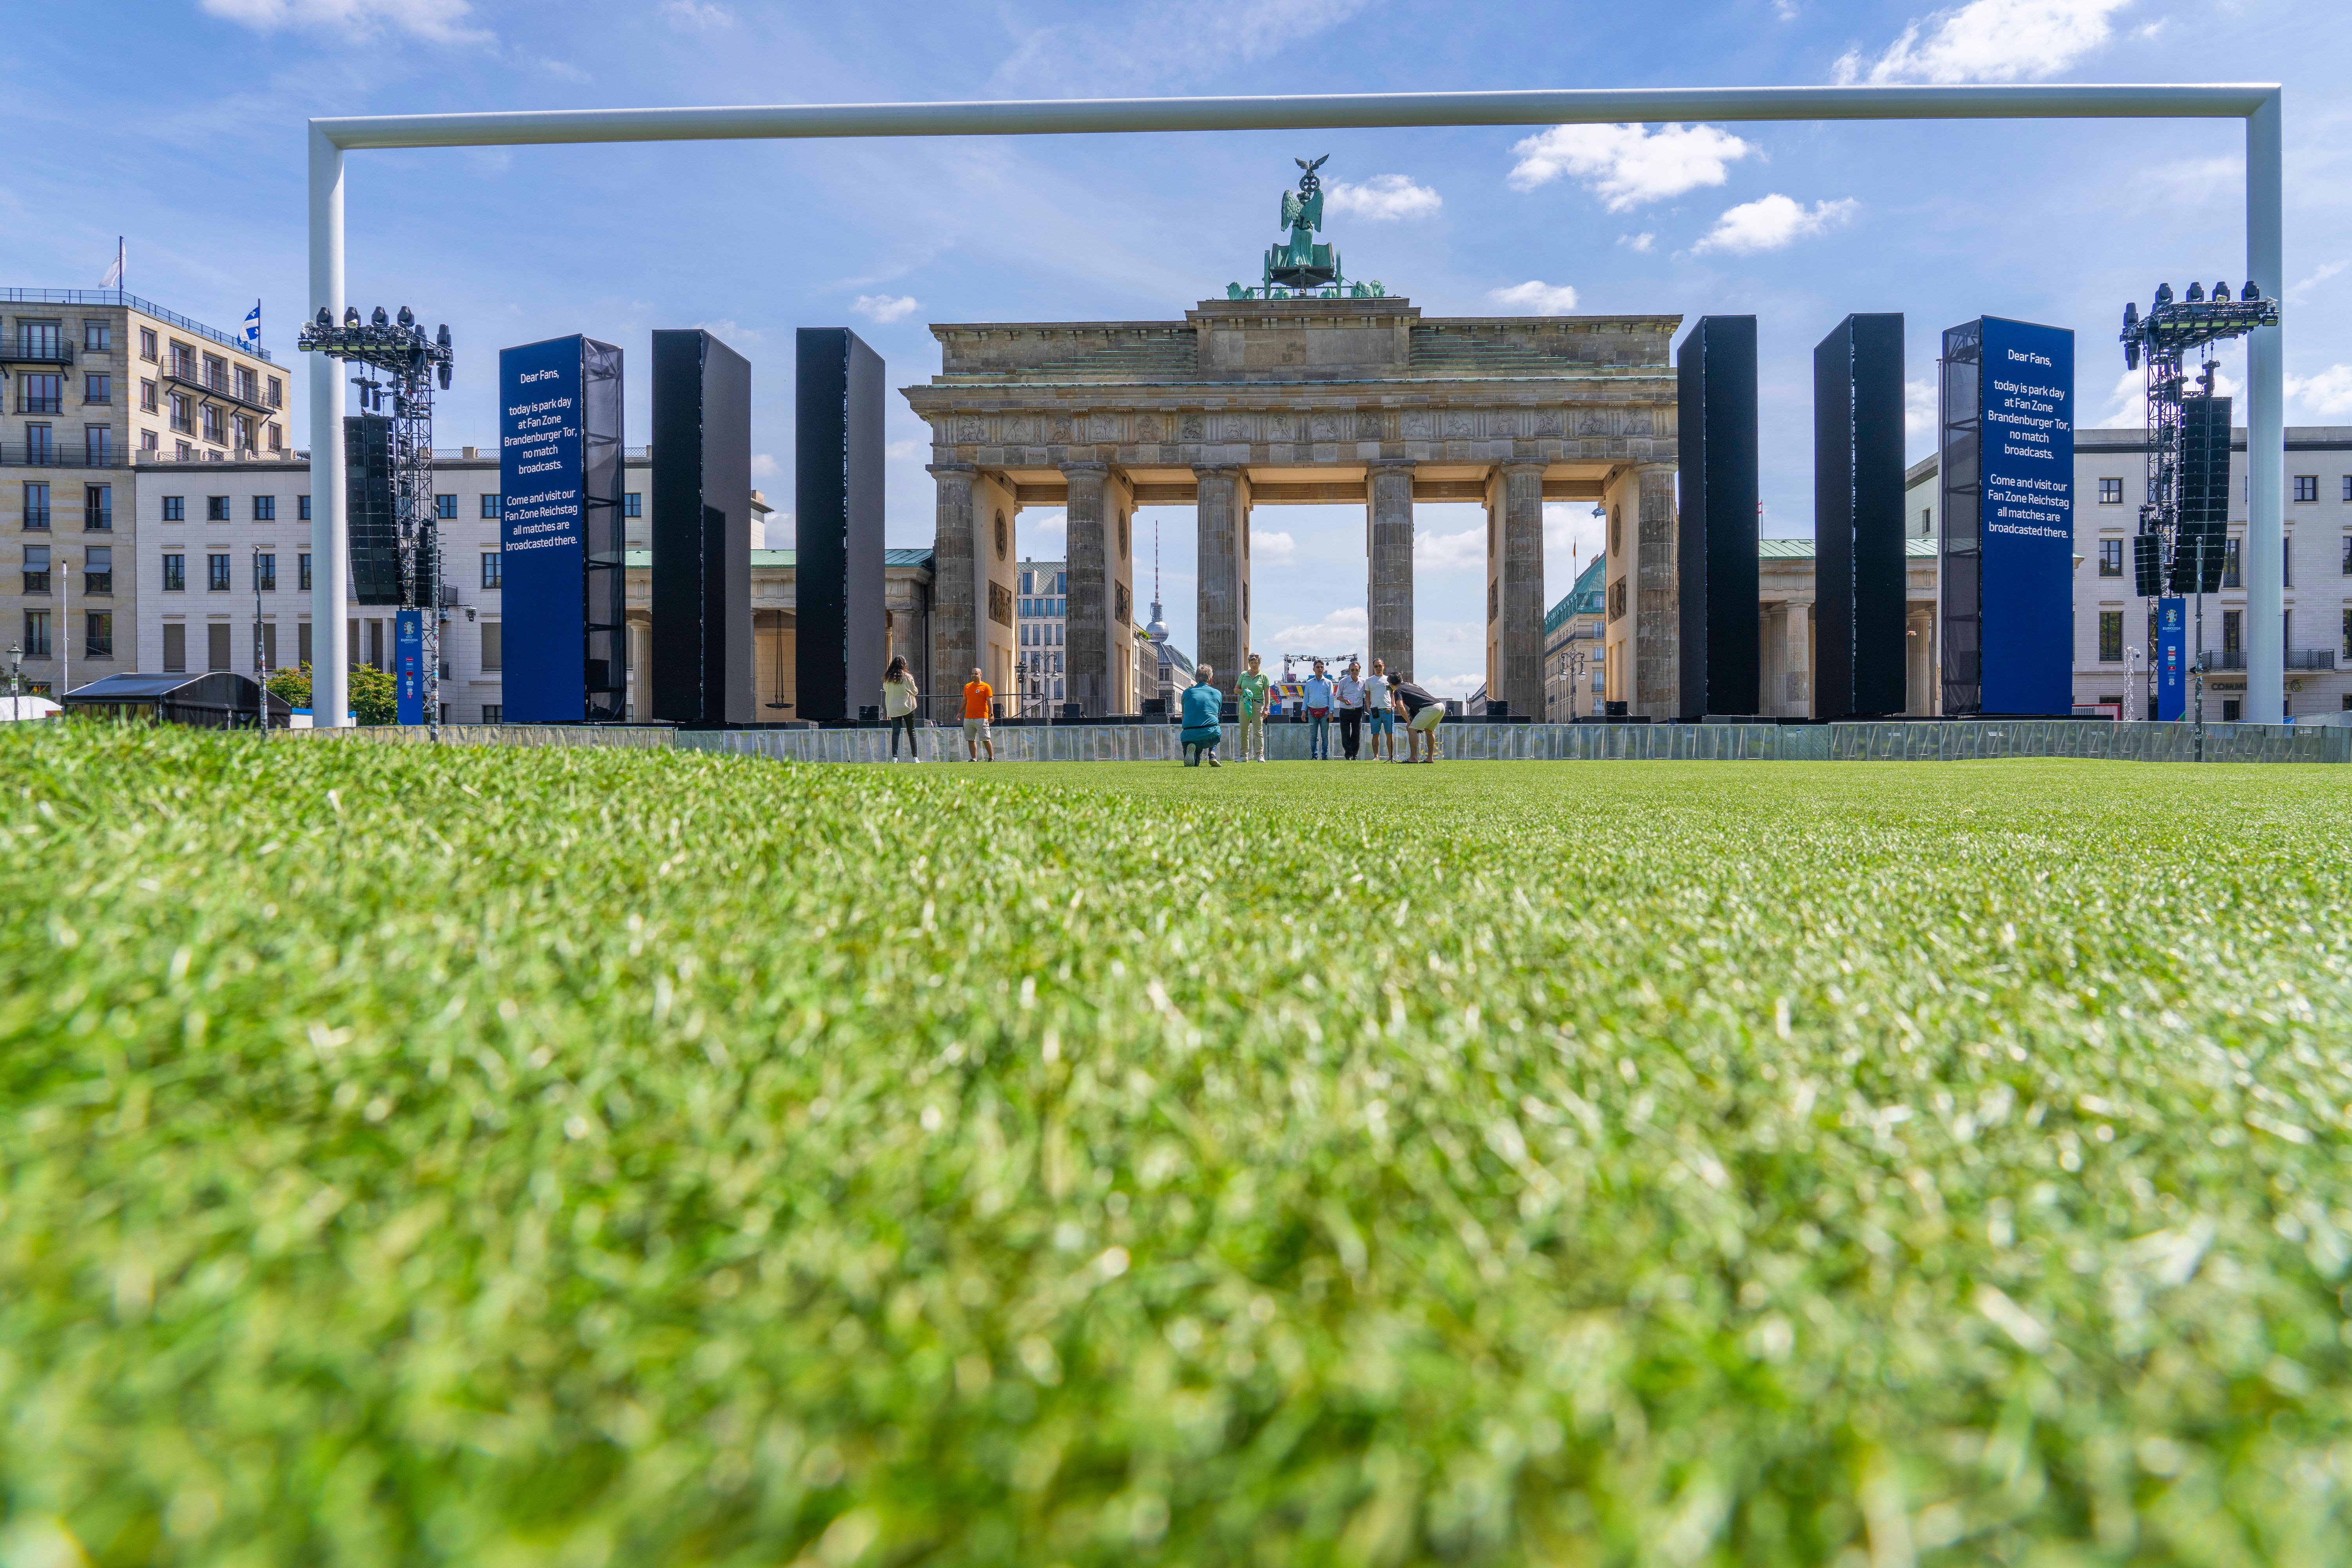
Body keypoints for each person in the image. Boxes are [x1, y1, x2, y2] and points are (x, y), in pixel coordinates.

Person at [1180, 664, 1223, 767]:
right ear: (1211, 680)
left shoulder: (1186, 693)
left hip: (1189, 734)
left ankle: (1193, 753)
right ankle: (1212, 754)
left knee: (1195, 761)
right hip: (1210, 734)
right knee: (1216, 729)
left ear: (1196, 678)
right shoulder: (1217, 693)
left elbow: (1183, 716)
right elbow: (1216, 714)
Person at [1395, 674, 1444, 763]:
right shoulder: (1412, 685)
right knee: (1429, 731)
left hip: (1430, 708)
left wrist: (1409, 722)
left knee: (1412, 729)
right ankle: (1430, 759)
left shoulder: (1398, 690)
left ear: (1391, 685)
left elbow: (1401, 707)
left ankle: (1413, 758)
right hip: (1440, 706)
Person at [881, 655, 921, 762]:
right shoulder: (907, 676)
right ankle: (915, 757)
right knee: (911, 732)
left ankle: (895, 758)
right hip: (907, 707)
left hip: (893, 708)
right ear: (904, 665)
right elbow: (915, 691)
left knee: (896, 733)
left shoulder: (888, 678)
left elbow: (885, 689)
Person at [1234, 653, 1270, 762]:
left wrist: (1266, 708)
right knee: (1244, 731)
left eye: (1256, 663)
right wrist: (1244, 691)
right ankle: (1243, 756)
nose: (1254, 665)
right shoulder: (1244, 675)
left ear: (1260, 664)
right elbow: (1236, 690)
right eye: (1252, 663)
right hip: (1244, 704)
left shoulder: (1264, 677)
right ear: (1249, 664)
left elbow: (1267, 693)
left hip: (1258, 704)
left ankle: (1260, 755)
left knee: (1258, 731)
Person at [1301, 658, 1334, 761]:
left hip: (1325, 713)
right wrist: (1303, 711)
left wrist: (1331, 713)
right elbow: (1306, 698)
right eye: (1318, 667)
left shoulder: (1329, 683)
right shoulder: (1309, 683)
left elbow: (1331, 698)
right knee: (1313, 737)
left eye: (1321, 667)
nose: (1320, 669)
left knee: (1325, 736)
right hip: (1312, 713)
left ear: (1324, 669)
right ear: (1314, 669)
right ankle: (1314, 756)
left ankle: (1325, 756)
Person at [1363, 658, 1395, 761]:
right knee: (1375, 734)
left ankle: (1391, 756)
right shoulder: (1369, 680)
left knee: (1389, 734)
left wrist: (1394, 706)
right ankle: (1376, 757)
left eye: (1380, 666)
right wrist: (1369, 708)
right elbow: (1367, 696)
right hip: (1375, 711)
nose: (1378, 668)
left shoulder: (1388, 679)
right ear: (1373, 668)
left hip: (1388, 710)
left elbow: (1393, 694)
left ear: (1383, 666)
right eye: (1376, 666)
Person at [961, 666, 996, 761]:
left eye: (976, 674)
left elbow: (990, 701)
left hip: (982, 717)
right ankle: (974, 758)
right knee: (970, 739)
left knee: (986, 739)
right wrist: (959, 712)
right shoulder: (967, 686)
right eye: (973, 674)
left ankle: (991, 758)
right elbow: (965, 701)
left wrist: (991, 714)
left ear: (981, 675)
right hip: (968, 717)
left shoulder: (986, 687)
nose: (974, 675)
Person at [1335, 659, 1367, 761]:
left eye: (1356, 670)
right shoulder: (1343, 682)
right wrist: (1345, 701)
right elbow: (1338, 696)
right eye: (1352, 670)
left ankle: (1355, 755)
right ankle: (1348, 754)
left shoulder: (1363, 682)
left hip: (1357, 711)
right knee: (1345, 733)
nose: (1354, 672)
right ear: (1349, 671)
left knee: (1356, 734)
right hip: (1345, 710)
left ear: (1359, 671)